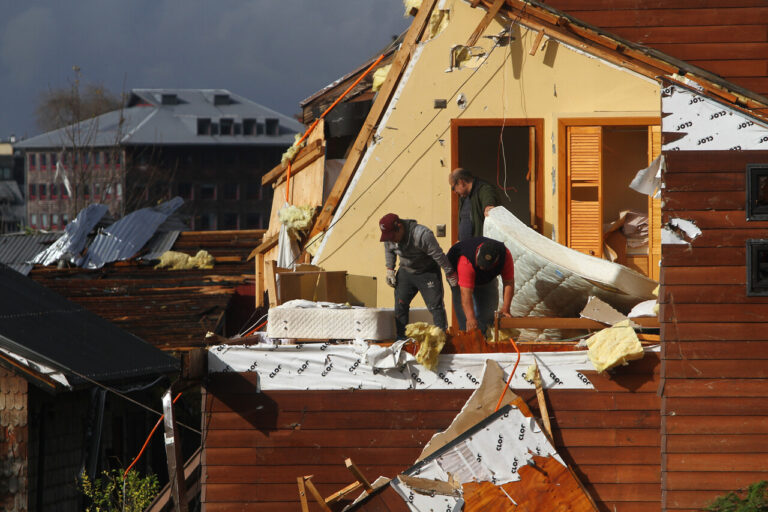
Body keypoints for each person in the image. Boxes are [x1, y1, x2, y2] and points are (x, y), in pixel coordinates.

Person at [380, 213, 458, 339]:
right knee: (400, 305)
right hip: (406, 271)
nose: (391, 240)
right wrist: (390, 269)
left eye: (393, 236)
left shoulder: (421, 234)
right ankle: (401, 339)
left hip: (427, 272)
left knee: (435, 307)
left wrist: (449, 272)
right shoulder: (389, 237)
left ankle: (442, 338)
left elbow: (438, 254)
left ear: (399, 226)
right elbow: (389, 250)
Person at [447, 236, 514, 334]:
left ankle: (485, 339)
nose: (482, 268)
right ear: (478, 252)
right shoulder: (466, 261)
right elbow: (465, 294)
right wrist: (470, 319)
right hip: (457, 275)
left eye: (486, 266)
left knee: (487, 315)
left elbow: (509, 282)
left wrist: (506, 309)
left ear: (496, 260)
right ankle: (467, 340)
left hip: (487, 280)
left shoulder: (505, 255)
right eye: (481, 264)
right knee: (466, 318)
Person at [449, 168, 499, 241]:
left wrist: (488, 207)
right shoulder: (463, 198)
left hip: (479, 245)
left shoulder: (484, 189)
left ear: (461, 182)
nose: (455, 192)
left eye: (453, 188)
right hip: (465, 246)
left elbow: (489, 201)